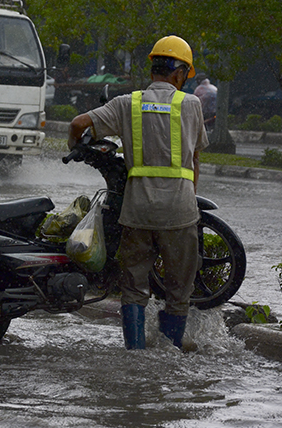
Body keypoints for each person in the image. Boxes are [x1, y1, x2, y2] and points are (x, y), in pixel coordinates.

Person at [68, 35, 209, 350]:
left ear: (153, 69)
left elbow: (79, 123)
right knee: (178, 292)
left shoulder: (126, 103)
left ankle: (135, 353)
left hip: (137, 210)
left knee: (133, 288)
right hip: (179, 211)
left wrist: (73, 146)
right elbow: (196, 159)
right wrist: (188, 199)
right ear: (179, 72)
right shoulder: (192, 105)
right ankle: (170, 350)